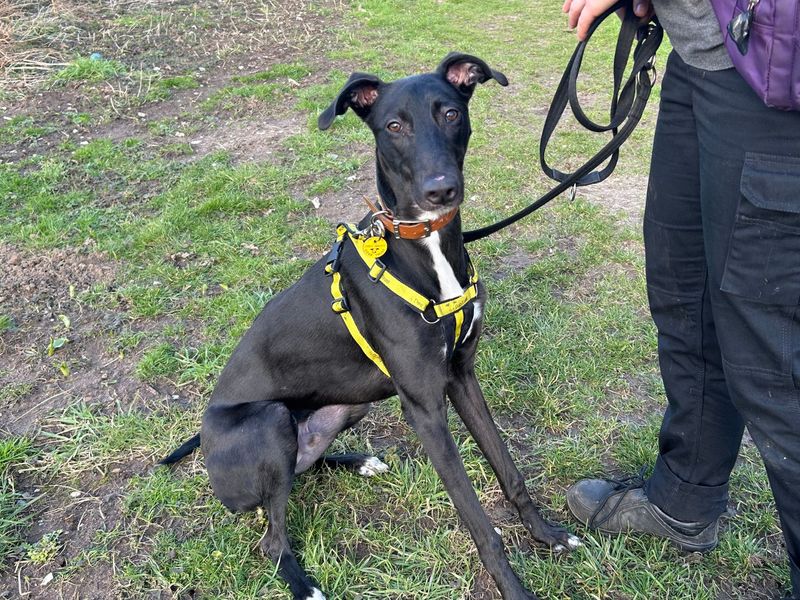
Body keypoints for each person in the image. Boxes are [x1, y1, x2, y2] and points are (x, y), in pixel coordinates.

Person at [559, 1, 800, 598]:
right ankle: (683, 502)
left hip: (778, 77)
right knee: (684, 293)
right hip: (703, 56)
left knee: (774, 360)